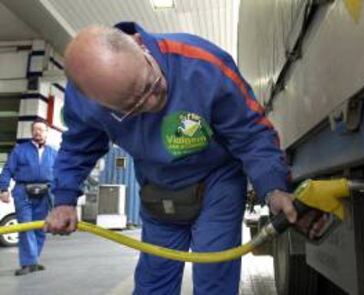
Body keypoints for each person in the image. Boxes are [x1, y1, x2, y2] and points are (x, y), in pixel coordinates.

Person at [45, 23, 299, 294]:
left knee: (215, 274)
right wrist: (64, 200)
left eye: (150, 84)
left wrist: (273, 187)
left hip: (217, 179)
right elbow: (78, 147)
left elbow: (249, 132)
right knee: (155, 279)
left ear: (141, 45)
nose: (153, 102)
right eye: (133, 106)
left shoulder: (202, 65)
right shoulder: (85, 100)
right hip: (157, 186)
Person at [0, 119, 57, 276]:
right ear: (32, 132)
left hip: (45, 193)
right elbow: (7, 170)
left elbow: (59, 174)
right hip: (23, 192)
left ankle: (33, 261)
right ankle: (28, 263)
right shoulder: (20, 150)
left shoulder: (53, 152)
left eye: (41, 130)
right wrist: (3, 188)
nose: (38, 132)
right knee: (26, 227)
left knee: (40, 228)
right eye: (35, 129)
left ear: (47, 132)